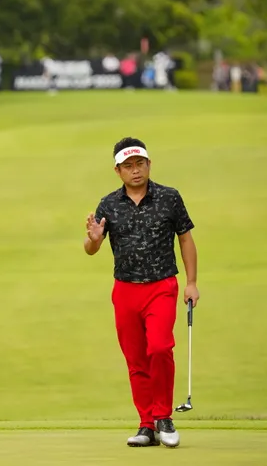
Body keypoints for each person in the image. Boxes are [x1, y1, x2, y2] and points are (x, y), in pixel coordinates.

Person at [83, 137, 199, 448]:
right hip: (125, 290)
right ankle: (147, 424)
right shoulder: (108, 204)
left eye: (140, 164)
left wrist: (191, 282)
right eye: (128, 166)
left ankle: (163, 417)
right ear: (118, 170)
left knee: (159, 348)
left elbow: (185, 239)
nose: (135, 170)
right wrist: (94, 238)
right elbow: (91, 249)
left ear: (149, 164)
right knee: (136, 360)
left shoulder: (169, 198)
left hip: (162, 286)